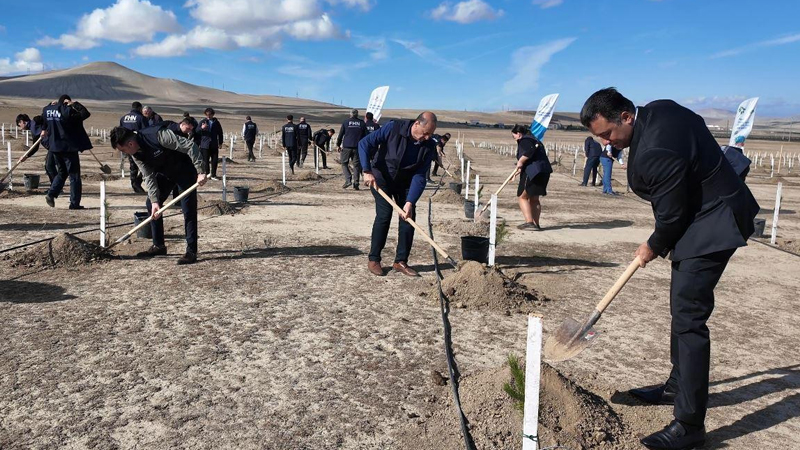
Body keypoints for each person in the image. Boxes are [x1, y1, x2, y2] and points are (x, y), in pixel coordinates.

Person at [580, 87, 760, 450]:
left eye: (607, 134)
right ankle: (678, 385)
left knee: (690, 318)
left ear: (626, 117)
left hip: (713, 224)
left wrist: (653, 245)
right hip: (706, 212)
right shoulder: (660, 109)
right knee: (681, 308)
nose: (604, 143)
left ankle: (690, 424)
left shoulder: (653, 152)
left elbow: (673, 215)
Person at [110, 125, 208, 265]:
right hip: (165, 173)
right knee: (151, 204)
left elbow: (190, 146)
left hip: (185, 170)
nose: (125, 154)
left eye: (123, 150)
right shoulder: (135, 153)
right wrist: (155, 201)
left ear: (130, 143)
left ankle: (191, 251)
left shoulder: (158, 136)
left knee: (188, 209)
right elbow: (148, 176)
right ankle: (159, 246)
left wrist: (201, 171)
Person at [358, 111, 438, 277]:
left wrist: (410, 202)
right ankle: (374, 259)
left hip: (406, 182)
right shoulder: (393, 128)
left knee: (408, 217)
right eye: (425, 133)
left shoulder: (429, 145)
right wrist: (366, 170)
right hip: (382, 178)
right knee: (384, 215)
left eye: (430, 134)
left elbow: (420, 175)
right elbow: (364, 144)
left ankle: (400, 261)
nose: (427, 137)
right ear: (416, 124)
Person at [41, 94, 92, 209]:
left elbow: (44, 120)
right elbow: (85, 114)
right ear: (66, 101)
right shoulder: (67, 111)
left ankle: (51, 194)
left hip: (54, 147)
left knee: (62, 172)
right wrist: (74, 104)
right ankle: (74, 203)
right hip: (68, 148)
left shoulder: (47, 110)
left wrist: (50, 105)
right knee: (74, 176)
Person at [512, 124, 551, 230]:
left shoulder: (525, 140)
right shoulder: (535, 140)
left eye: (513, 136)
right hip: (544, 171)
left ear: (519, 134)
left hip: (533, 172)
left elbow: (529, 151)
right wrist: (519, 169)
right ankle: (536, 224)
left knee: (522, 197)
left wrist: (520, 162)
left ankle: (529, 222)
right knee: (534, 198)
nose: (514, 139)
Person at [16, 113, 57, 184]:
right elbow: (35, 147)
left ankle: (56, 188)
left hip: (55, 145)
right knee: (49, 167)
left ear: (22, 122)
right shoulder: (33, 130)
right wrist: (26, 156)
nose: (21, 128)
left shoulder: (35, 121)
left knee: (49, 166)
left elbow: (44, 118)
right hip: (52, 148)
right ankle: (56, 187)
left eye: (20, 125)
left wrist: (44, 130)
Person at [120, 101, 148, 193]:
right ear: (140, 108)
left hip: (126, 145)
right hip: (138, 145)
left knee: (133, 165)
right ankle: (137, 183)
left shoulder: (123, 118)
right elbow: (146, 131)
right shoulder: (141, 118)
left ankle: (134, 184)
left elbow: (120, 131)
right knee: (145, 165)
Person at [337, 109, 367, 190]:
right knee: (356, 166)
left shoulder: (346, 122)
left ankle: (348, 179)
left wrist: (338, 144)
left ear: (350, 114)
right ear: (357, 115)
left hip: (347, 146)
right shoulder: (362, 123)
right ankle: (356, 183)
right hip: (357, 147)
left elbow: (341, 134)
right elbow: (366, 136)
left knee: (344, 163)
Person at [198, 107, 224, 180]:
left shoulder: (216, 122)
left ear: (213, 114)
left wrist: (220, 142)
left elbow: (220, 133)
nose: (208, 116)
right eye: (207, 115)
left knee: (214, 160)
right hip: (204, 145)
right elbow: (196, 131)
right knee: (205, 161)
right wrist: (202, 128)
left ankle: (213, 175)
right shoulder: (203, 121)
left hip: (214, 144)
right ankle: (207, 175)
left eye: (210, 115)